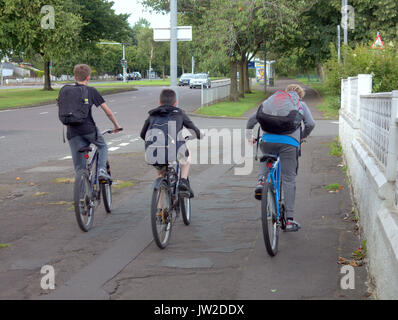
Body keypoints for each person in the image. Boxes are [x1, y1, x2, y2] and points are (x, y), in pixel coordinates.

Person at [246, 84, 315, 232]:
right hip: (289, 143)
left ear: (285, 93)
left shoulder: (272, 102)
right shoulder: (300, 104)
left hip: (267, 140)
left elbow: (253, 119)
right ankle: (289, 220)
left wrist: (249, 136)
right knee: (289, 179)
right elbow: (310, 124)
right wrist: (300, 136)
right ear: (300, 95)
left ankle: (260, 182)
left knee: (266, 156)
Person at [140, 89, 201, 197]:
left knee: (161, 174)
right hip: (174, 152)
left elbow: (142, 134)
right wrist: (199, 135)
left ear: (159, 102)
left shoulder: (152, 115)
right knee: (187, 154)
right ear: (175, 103)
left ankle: (159, 211)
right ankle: (183, 180)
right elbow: (194, 130)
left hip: (152, 154)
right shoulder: (179, 113)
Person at [65, 64, 122, 180]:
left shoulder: (67, 91)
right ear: (88, 77)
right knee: (102, 146)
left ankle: (81, 193)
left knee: (79, 168)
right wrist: (116, 125)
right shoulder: (91, 91)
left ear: (74, 77)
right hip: (89, 129)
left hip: (72, 132)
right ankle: (101, 170)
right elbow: (108, 112)